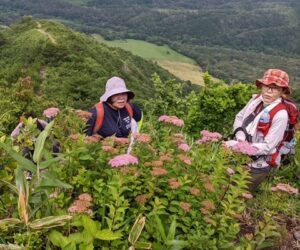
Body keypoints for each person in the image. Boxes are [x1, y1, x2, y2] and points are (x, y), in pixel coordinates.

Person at [226, 69, 298, 191]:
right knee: (224, 190)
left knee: (239, 195)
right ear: (261, 86)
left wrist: (238, 147)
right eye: (266, 86)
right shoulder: (256, 100)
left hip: (257, 165)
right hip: (239, 157)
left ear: (282, 91)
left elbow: (268, 146)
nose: (269, 91)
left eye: (274, 88)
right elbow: (239, 117)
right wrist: (240, 138)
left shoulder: (281, 115)